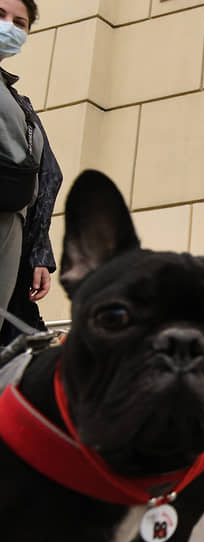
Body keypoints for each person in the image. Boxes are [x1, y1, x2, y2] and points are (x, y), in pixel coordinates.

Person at [0, 0, 62, 339]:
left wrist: (37, 253)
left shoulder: (18, 102)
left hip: (12, 247)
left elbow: (46, 176)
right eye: (0, 15)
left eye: (19, 23)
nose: (9, 27)